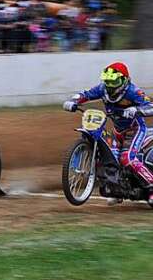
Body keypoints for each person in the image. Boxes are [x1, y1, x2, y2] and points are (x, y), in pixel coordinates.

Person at [63, 62, 153, 203]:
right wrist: (73, 101)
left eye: (114, 81)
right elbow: (85, 94)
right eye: (107, 81)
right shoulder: (102, 89)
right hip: (118, 131)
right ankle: (118, 190)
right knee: (110, 156)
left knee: (127, 159)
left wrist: (137, 110)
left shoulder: (133, 92)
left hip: (135, 130)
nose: (110, 85)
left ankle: (151, 187)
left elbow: (150, 106)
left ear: (124, 80)